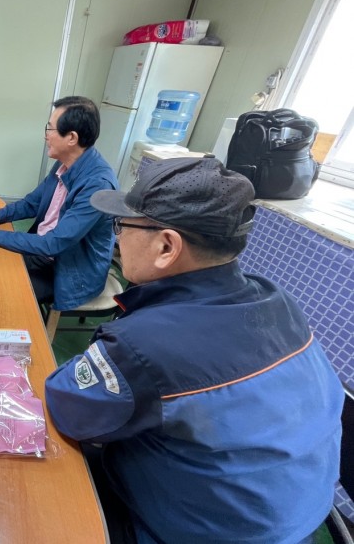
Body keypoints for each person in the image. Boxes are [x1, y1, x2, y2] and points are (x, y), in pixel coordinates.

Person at [45, 156, 343, 544]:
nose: (118, 238)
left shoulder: (144, 344)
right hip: (297, 520)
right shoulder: (277, 300)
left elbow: (69, 407)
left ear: (167, 246)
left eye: (122, 226)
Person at [0, 96, 118, 310]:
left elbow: (55, 243)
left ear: (71, 138)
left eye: (50, 129)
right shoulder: (65, 162)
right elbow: (32, 203)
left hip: (69, 271)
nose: (46, 136)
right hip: (45, 253)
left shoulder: (97, 185)